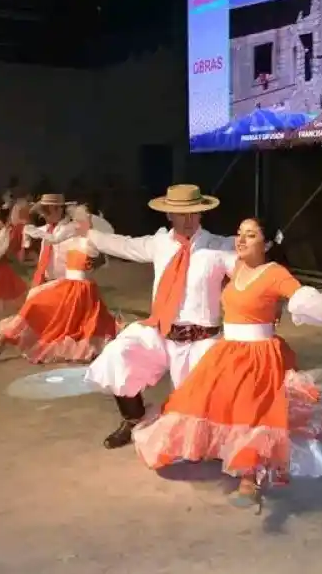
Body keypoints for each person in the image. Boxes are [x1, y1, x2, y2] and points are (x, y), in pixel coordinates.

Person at [133, 217, 322, 510]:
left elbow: (304, 299)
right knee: (202, 402)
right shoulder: (236, 266)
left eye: (250, 235)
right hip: (228, 351)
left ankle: (250, 479)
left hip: (259, 355)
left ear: (265, 243)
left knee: (252, 413)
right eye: (239, 234)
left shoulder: (275, 273)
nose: (240, 240)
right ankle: (215, 450)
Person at [80, 184, 240, 450]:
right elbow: (124, 245)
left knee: (197, 414)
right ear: (169, 215)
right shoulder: (160, 243)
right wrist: (90, 233)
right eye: (181, 214)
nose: (188, 220)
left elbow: (248, 273)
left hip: (201, 342)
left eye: (194, 213)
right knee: (118, 353)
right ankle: (134, 419)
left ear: (202, 214)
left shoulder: (219, 247)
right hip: (161, 331)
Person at [0, 197, 118, 363]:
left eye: (47, 211)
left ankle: (0, 343)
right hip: (63, 286)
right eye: (43, 211)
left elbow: (101, 258)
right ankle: (0, 342)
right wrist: (27, 226)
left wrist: (92, 260)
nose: (44, 215)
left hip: (78, 291)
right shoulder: (61, 231)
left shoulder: (84, 236)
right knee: (36, 308)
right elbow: (48, 239)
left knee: (37, 308)